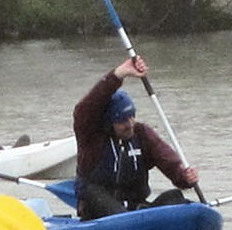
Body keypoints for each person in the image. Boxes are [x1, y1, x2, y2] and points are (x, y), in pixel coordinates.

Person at [72, 57, 199, 220]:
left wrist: (185, 176)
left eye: (132, 117)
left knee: (175, 197)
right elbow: (85, 108)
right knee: (94, 193)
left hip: (134, 208)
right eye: (123, 120)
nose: (130, 124)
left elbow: (167, 160)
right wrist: (119, 75)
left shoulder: (141, 133)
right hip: (99, 211)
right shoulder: (91, 137)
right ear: (110, 122)